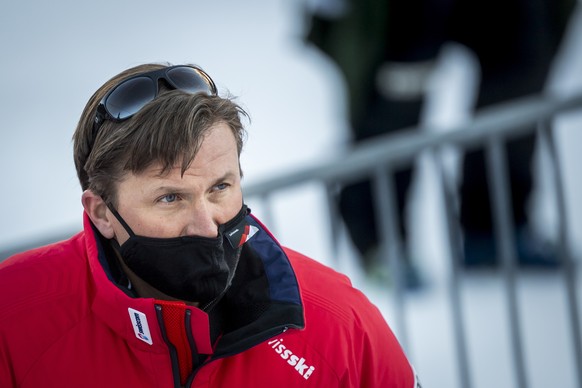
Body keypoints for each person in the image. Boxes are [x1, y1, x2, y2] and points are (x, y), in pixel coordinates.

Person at [0, 63, 419, 387]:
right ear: (103, 213)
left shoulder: (341, 325)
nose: (207, 225)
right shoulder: (13, 316)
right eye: (170, 198)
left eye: (220, 188)